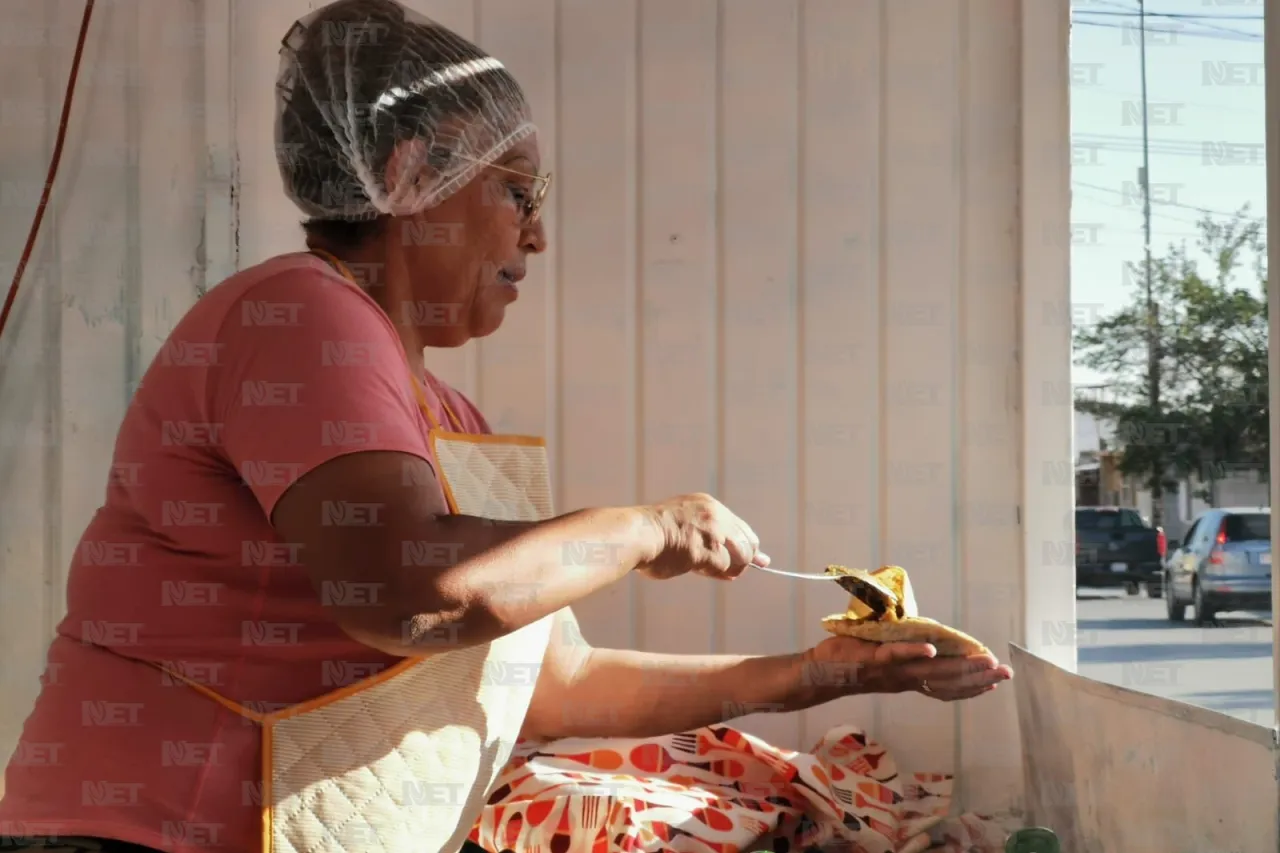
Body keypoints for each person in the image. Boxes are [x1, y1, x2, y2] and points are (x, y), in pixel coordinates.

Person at [0, 1, 1013, 852]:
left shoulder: (443, 412)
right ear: (406, 178)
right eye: (516, 193)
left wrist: (809, 678)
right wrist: (643, 527)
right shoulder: (300, 314)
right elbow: (410, 589)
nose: (537, 235)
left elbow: (556, 682)